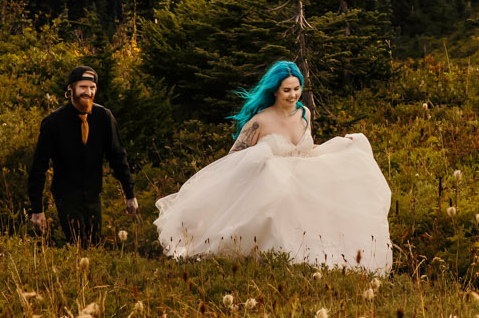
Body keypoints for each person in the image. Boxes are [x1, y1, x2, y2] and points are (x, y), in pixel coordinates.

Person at [152, 59, 392, 272]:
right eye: (286, 90)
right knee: (280, 203)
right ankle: (277, 262)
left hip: (305, 178)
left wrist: (340, 145)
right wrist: (263, 159)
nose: (293, 95)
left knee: (348, 166)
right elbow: (235, 156)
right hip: (273, 186)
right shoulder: (260, 121)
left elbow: (305, 149)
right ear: (275, 90)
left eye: (297, 89)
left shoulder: (305, 113)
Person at [28, 65, 137, 245]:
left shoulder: (104, 118)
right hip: (66, 196)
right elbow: (38, 167)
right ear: (70, 89)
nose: (88, 92)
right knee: (79, 243)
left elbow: (118, 157)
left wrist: (130, 194)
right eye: (83, 87)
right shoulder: (54, 122)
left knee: (95, 244)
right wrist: (37, 210)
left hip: (93, 195)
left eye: (92, 88)